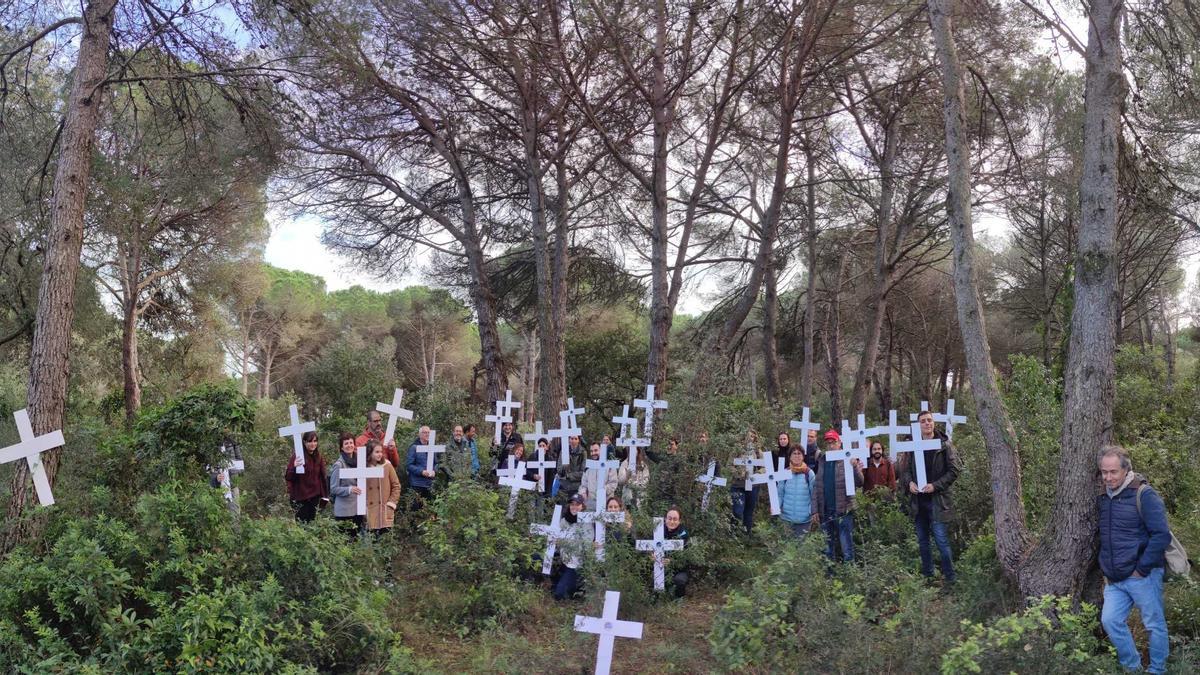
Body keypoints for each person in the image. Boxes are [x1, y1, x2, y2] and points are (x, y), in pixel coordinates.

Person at [1098, 445, 1171, 674]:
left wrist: (1141, 568)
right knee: (1110, 621)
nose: (1108, 477)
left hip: (1143, 576)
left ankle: (1157, 670)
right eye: (1104, 472)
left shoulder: (1144, 494)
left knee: (1154, 625)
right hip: (1115, 579)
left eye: (1113, 472)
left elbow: (1161, 535)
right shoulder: (1104, 498)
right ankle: (1133, 668)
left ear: (1125, 470)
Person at [896, 410, 959, 584]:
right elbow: (905, 470)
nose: (927, 423)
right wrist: (909, 484)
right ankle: (929, 578)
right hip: (918, 503)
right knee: (923, 542)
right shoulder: (912, 445)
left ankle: (950, 579)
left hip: (937, 502)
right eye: (923, 421)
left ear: (934, 423)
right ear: (918, 425)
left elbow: (954, 471)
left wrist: (935, 485)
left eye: (929, 420)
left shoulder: (944, 445)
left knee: (941, 541)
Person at [812, 429, 863, 562]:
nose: (830, 445)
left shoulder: (847, 460)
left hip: (843, 511)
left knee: (847, 547)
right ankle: (829, 575)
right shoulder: (822, 461)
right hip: (826, 511)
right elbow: (817, 487)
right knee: (827, 548)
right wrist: (815, 510)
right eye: (828, 443)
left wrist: (855, 467)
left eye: (833, 442)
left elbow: (860, 482)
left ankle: (850, 576)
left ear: (839, 443)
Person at [285, 430, 329, 523]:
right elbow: (288, 476)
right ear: (304, 442)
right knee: (302, 526)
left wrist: (325, 496)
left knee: (312, 525)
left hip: (314, 498)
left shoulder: (318, 457)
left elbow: (322, 477)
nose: (313, 444)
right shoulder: (297, 456)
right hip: (300, 498)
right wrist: (294, 467)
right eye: (310, 441)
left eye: (315, 441)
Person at [553, 494, 589, 600]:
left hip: (576, 563)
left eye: (577, 504)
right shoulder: (564, 521)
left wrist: (565, 542)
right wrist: (557, 542)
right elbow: (557, 539)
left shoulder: (587, 522)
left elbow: (585, 544)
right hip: (562, 559)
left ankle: (575, 587)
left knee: (560, 594)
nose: (574, 507)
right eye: (572, 504)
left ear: (582, 506)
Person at [329, 432, 365, 540]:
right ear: (341, 447)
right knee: (345, 542)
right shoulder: (339, 465)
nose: (349, 445)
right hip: (344, 510)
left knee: (356, 540)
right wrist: (349, 489)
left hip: (358, 508)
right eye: (346, 443)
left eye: (351, 443)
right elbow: (333, 488)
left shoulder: (360, 461)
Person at [776, 444, 816, 540]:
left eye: (799, 453)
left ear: (803, 456)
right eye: (794, 453)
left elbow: (814, 495)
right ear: (789, 457)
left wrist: (811, 511)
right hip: (786, 518)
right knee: (786, 548)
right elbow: (780, 494)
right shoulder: (784, 473)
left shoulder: (809, 473)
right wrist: (776, 506)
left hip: (804, 520)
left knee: (801, 549)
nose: (797, 456)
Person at [364, 439, 401, 538]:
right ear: (369, 453)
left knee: (385, 541)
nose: (380, 454)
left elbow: (396, 486)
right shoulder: (363, 468)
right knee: (372, 541)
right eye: (376, 452)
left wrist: (391, 503)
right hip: (370, 510)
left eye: (381, 452)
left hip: (385, 510)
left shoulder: (387, 465)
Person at [730, 430, 763, 534]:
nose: (750, 438)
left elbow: (765, 467)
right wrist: (739, 473)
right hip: (738, 485)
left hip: (753, 486)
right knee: (737, 511)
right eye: (748, 436)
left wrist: (758, 473)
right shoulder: (737, 450)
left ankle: (746, 536)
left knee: (749, 512)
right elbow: (729, 465)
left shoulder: (758, 451)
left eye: (753, 436)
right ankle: (733, 534)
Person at [406, 425, 439, 510]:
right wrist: (421, 472)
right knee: (415, 509)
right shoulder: (414, 447)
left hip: (429, 483)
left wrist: (434, 471)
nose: (427, 434)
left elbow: (437, 463)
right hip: (417, 484)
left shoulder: (432, 447)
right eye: (425, 432)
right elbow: (409, 465)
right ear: (420, 434)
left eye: (428, 432)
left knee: (428, 509)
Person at [662, 507, 691, 598]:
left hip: (679, 569)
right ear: (665, 519)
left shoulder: (683, 534)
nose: (671, 522)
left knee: (679, 580)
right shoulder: (658, 530)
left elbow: (686, 558)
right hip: (660, 566)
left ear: (679, 521)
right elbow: (648, 546)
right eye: (669, 518)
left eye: (675, 519)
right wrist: (651, 554)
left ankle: (678, 600)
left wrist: (672, 561)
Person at [581, 442, 617, 510]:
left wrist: (602, 491)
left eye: (596, 450)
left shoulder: (610, 466)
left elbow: (613, 483)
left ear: (601, 450)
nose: (593, 453)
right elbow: (583, 484)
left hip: (606, 502)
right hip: (591, 503)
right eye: (591, 451)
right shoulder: (588, 467)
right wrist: (583, 492)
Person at [616, 446, 651, 511]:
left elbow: (646, 480)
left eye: (635, 450)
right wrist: (627, 475)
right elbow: (620, 481)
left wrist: (637, 485)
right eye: (631, 451)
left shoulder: (643, 465)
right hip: (628, 495)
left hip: (640, 495)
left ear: (638, 451)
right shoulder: (624, 464)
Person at [557, 434, 586, 503]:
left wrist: (569, 475)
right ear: (569, 439)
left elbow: (583, 472)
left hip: (576, 487)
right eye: (571, 438)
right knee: (563, 508)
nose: (573, 440)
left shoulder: (583, 453)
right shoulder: (563, 452)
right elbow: (559, 469)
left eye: (575, 439)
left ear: (578, 440)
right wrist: (564, 468)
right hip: (564, 486)